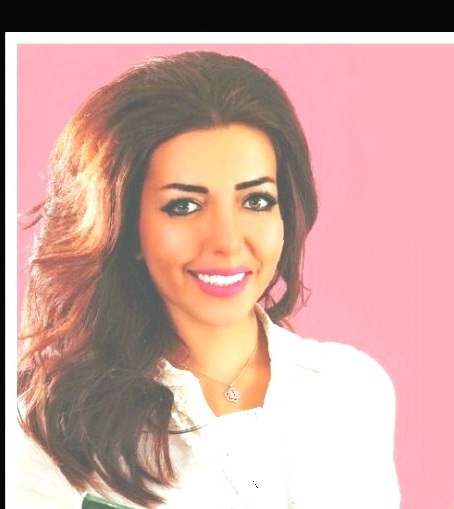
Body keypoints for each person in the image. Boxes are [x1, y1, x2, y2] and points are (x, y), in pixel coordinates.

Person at [17, 50, 401, 509]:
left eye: (256, 201)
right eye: (184, 206)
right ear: (125, 226)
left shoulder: (352, 388)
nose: (227, 242)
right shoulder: (57, 429)